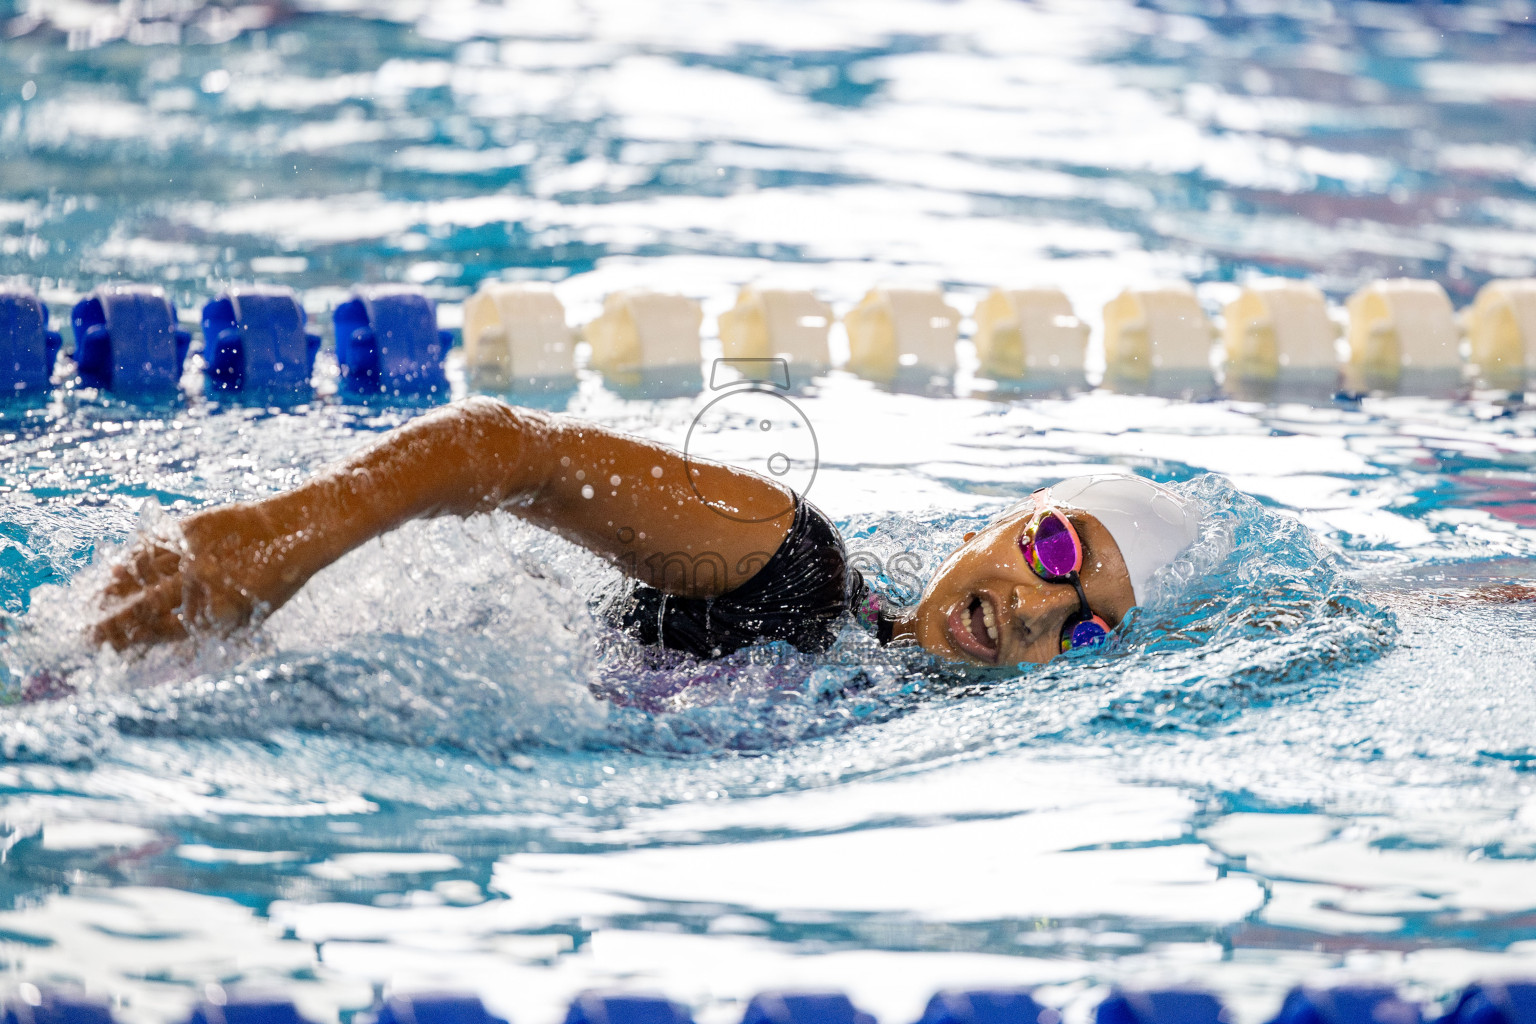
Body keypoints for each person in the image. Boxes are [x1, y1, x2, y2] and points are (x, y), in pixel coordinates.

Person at [92, 396, 1205, 667]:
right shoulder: (791, 568)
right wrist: (263, 548)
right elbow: (506, 449)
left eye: (1087, 627)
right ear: (1003, 525)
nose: (1036, 605)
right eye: (1058, 552)